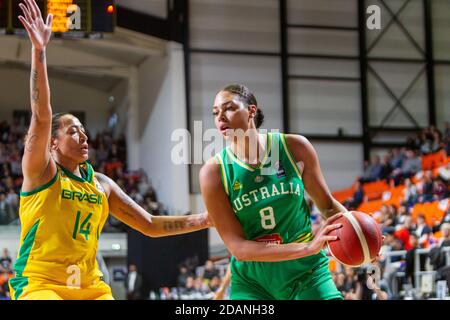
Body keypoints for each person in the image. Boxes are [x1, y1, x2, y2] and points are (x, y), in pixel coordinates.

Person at [9, 0, 210, 300]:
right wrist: (40, 52)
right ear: (53, 143)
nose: (83, 135)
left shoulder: (102, 184)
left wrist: (205, 219)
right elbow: (41, 115)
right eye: (72, 130)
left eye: (83, 129)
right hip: (40, 284)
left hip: (90, 286)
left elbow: (151, 225)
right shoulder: (41, 171)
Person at [199, 84, 350, 300]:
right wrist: (308, 247)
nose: (220, 117)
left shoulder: (294, 147)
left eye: (229, 108)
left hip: (305, 272)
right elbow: (238, 247)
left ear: (251, 110)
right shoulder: (213, 172)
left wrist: (358, 232)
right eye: (215, 113)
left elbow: (327, 205)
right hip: (253, 282)